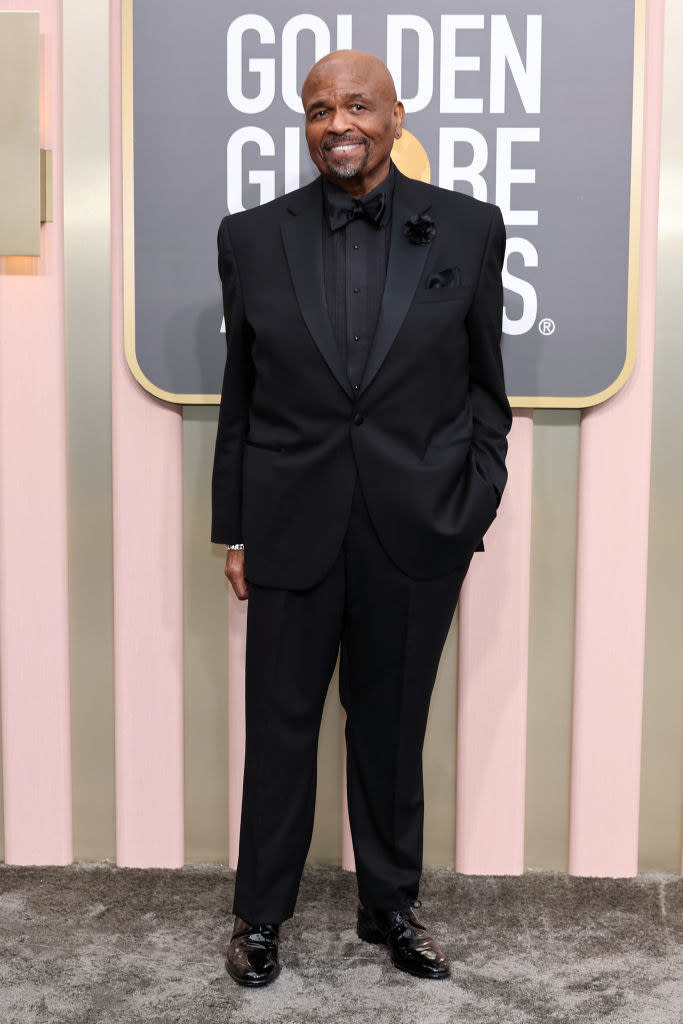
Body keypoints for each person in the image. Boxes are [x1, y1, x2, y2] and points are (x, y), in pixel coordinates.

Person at [211, 49, 512, 987]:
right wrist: (235, 528)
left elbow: (484, 387)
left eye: (355, 106)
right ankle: (259, 916)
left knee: (390, 728)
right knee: (280, 727)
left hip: (416, 524)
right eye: (316, 110)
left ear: (394, 114)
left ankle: (390, 905)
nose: (336, 124)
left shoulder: (466, 227)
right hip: (292, 521)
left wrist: (471, 505)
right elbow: (242, 395)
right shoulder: (250, 236)